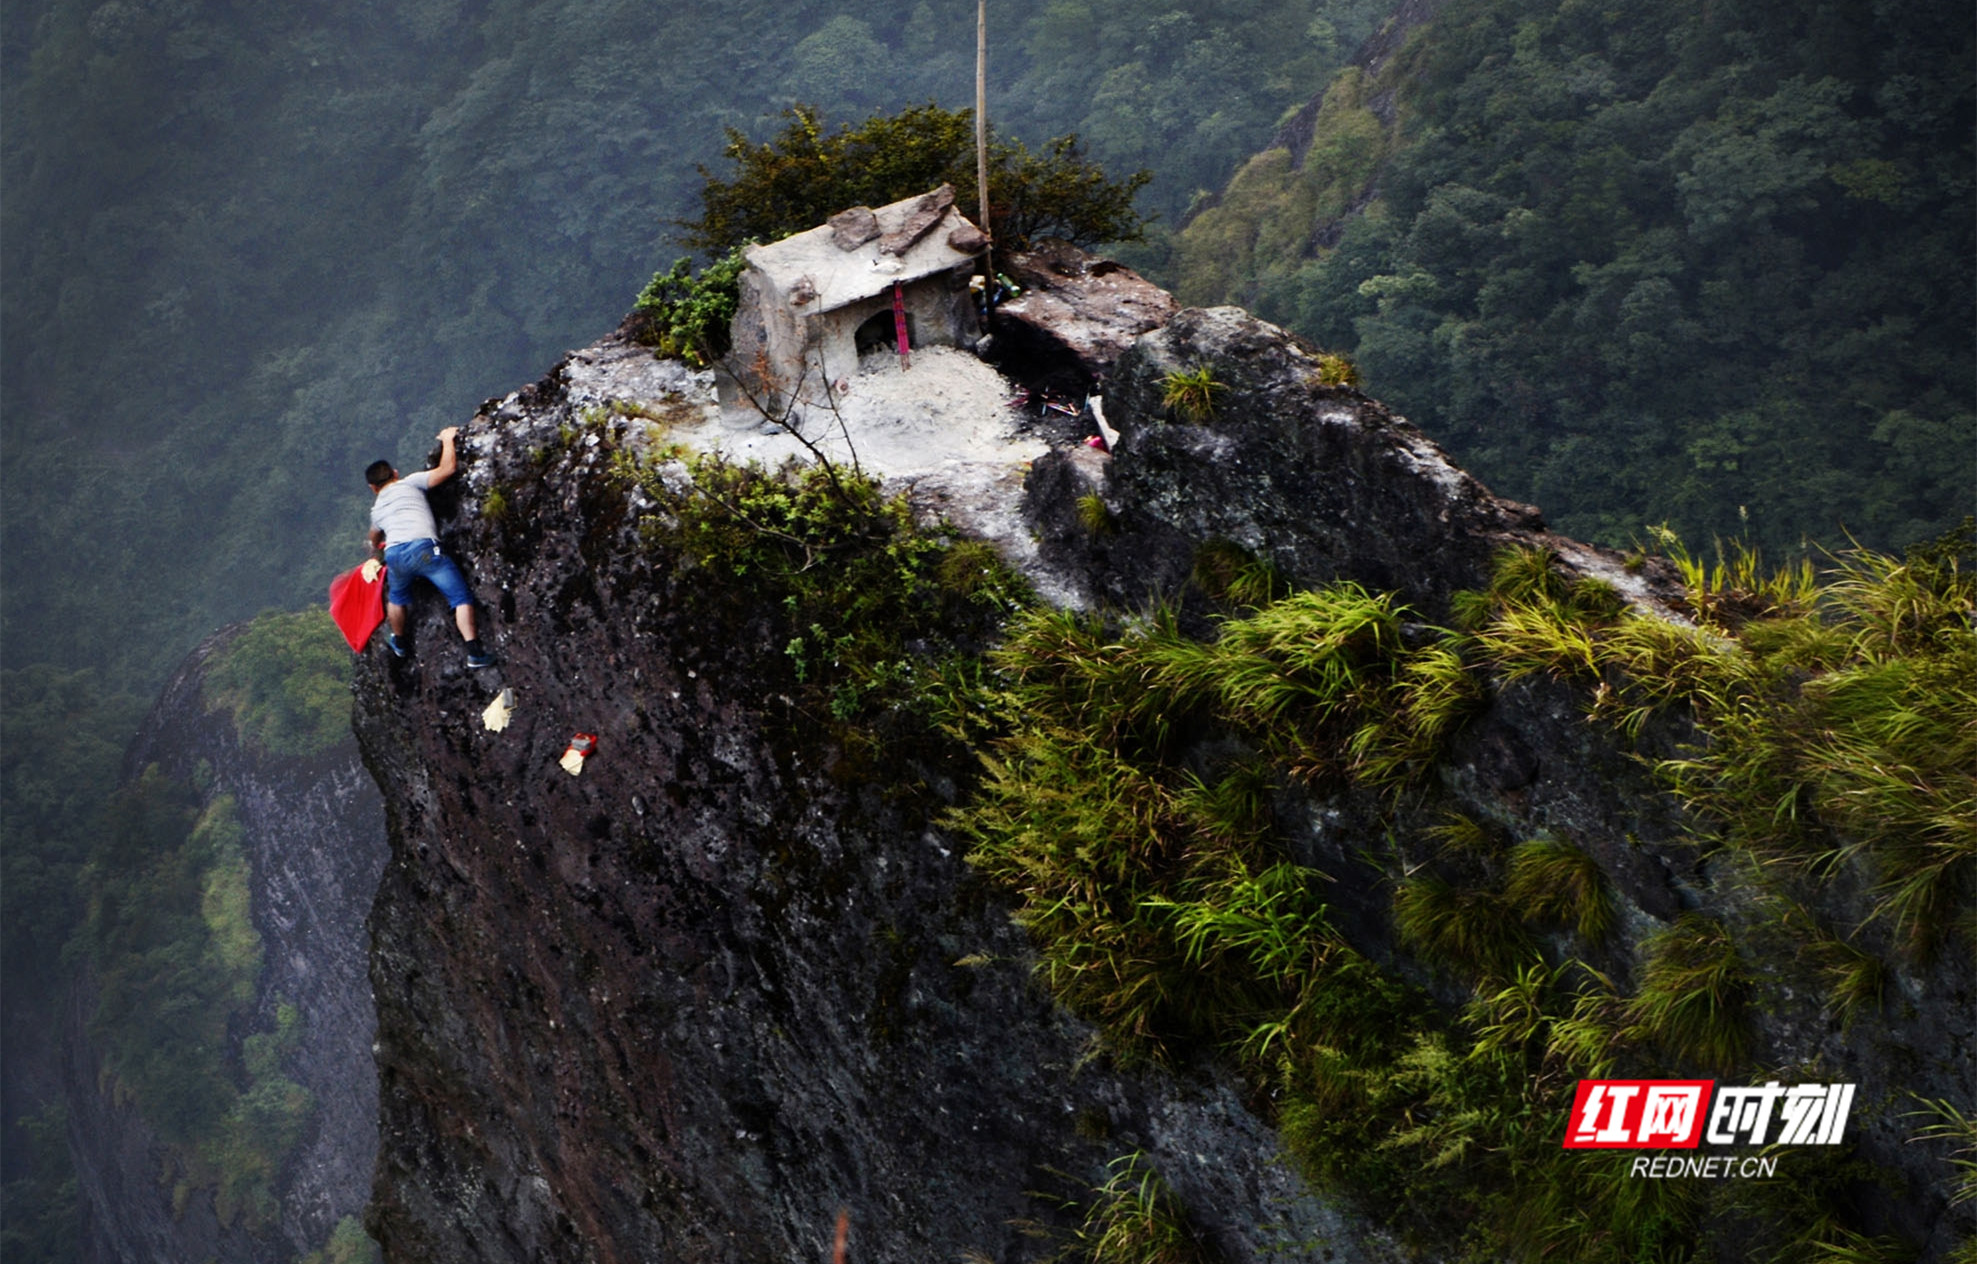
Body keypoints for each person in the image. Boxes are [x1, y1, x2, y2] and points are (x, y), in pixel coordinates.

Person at [365, 426, 493, 667]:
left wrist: (374, 552)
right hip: (424, 550)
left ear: (372, 488)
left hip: (394, 555)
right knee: (460, 597)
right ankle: (475, 652)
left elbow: (373, 537)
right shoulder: (411, 483)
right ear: (395, 473)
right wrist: (447, 440)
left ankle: (399, 641)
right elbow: (447, 469)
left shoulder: (377, 509)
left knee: (397, 597)